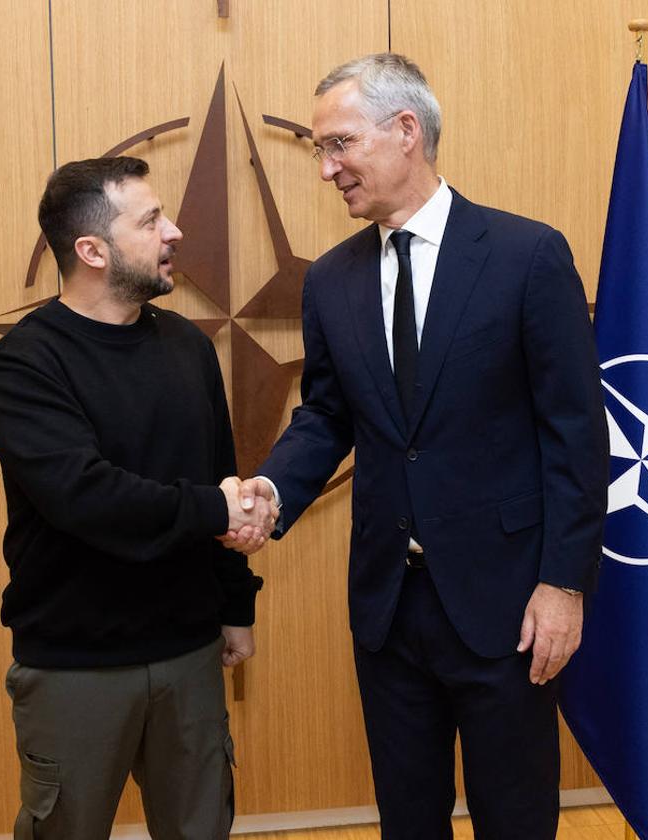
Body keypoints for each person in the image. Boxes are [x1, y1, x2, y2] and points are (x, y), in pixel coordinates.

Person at [226, 54, 609, 839]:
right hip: (388, 608)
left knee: (516, 818)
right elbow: (328, 414)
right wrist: (275, 488)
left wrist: (563, 584)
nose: (328, 168)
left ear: (407, 132)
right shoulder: (330, 280)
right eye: (320, 151)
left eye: (339, 144)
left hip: (509, 606)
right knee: (407, 820)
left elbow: (575, 435)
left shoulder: (527, 256)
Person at [0, 156, 274, 840]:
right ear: (91, 251)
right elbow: (85, 497)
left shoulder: (188, 347)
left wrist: (235, 605)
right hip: (74, 664)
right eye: (150, 221)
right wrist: (215, 509)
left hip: (189, 650)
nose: (174, 232)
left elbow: (219, 476)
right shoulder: (26, 362)